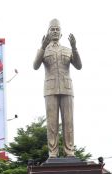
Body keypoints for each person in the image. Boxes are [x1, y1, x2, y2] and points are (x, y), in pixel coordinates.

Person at [33, 19, 82, 158]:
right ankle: (53, 153)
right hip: (50, 90)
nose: (55, 31)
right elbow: (35, 66)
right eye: (52, 29)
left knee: (69, 122)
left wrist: (75, 48)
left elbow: (78, 66)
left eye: (57, 29)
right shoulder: (43, 50)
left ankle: (70, 151)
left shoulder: (68, 50)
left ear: (61, 34)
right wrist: (42, 47)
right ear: (48, 32)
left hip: (67, 89)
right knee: (52, 124)